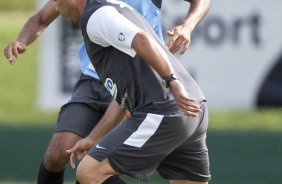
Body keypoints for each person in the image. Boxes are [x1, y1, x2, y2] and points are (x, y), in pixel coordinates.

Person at [3, 0, 210, 183]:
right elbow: (125, 95)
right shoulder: (111, 11)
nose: (57, 8)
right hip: (193, 106)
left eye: (58, 1)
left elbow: (141, 40)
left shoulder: (96, 14)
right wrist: (93, 138)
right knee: (67, 157)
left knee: (89, 173)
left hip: (162, 103)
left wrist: (173, 80)